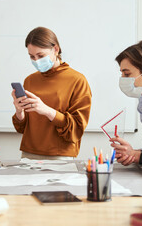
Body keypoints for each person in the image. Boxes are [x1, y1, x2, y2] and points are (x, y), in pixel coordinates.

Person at [11, 27, 92, 160]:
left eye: (41, 56)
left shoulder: (77, 80)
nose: (36, 60)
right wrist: (19, 112)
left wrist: (47, 111)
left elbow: (77, 128)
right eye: (32, 56)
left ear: (56, 49)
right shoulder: (30, 80)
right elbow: (22, 128)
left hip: (60, 156)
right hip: (29, 154)